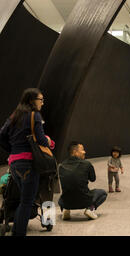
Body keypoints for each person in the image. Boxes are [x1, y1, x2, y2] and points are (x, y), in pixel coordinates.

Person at [0, 88, 49, 236]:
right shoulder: (35, 115)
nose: (42, 102)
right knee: (27, 201)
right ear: (31, 100)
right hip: (28, 163)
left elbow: (1, 135)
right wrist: (47, 140)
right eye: (40, 99)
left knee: (24, 199)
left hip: (14, 164)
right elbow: (41, 140)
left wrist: (13, 150)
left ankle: (16, 230)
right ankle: (18, 233)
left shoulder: (14, 116)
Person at [58, 141, 107, 220]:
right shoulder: (87, 164)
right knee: (103, 193)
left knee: (62, 197)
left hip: (66, 201)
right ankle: (90, 209)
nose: (85, 152)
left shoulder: (61, 165)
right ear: (75, 152)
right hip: (84, 201)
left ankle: (65, 209)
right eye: (82, 149)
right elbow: (93, 179)